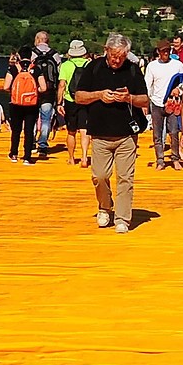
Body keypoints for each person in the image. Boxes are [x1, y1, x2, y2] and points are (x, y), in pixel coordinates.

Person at [71, 33, 147, 233]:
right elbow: (78, 97)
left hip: (126, 135)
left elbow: (145, 100)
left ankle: (123, 218)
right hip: (100, 134)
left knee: (125, 178)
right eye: (114, 55)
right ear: (106, 51)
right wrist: (99, 95)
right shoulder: (93, 68)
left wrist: (128, 98)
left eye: (121, 56)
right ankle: (105, 206)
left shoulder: (132, 70)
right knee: (100, 176)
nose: (117, 60)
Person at [146, 41, 183, 170]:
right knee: (157, 134)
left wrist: (179, 90)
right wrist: (146, 103)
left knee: (174, 132)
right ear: (158, 52)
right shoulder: (152, 66)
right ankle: (160, 160)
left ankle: (175, 158)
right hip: (157, 103)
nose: (165, 53)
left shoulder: (178, 65)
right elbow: (147, 85)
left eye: (167, 51)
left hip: (172, 102)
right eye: (163, 51)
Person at [4, 47, 43, 163]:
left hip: (16, 103)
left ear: (19, 56)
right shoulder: (36, 69)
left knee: (16, 130)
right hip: (31, 104)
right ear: (31, 56)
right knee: (29, 130)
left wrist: (15, 91)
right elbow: (44, 87)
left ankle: (14, 153)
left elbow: (6, 86)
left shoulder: (14, 68)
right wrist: (35, 90)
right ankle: (27, 157)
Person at [57, 38, 91, 167]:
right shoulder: (89, 65)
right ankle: (84, 158)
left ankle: (71, 158)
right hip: (86, 100)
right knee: (84, 129)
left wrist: (59, 103)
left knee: (71, 131)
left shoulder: (66, 65)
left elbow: (61, 85)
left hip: (70, 100)